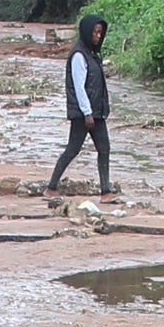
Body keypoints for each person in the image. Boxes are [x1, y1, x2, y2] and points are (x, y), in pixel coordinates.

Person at [45, 12, 112, 197]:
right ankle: (51, 187)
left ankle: (106, 191)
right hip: (85, 114)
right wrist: (87, 112)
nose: (98, 36)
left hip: (96, 112)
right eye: (95, 32)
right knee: (72, 149)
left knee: (104, 150)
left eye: (100, 33)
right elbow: (79, 86)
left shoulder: (93, 54)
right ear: (86, 32)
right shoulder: (78, 56)